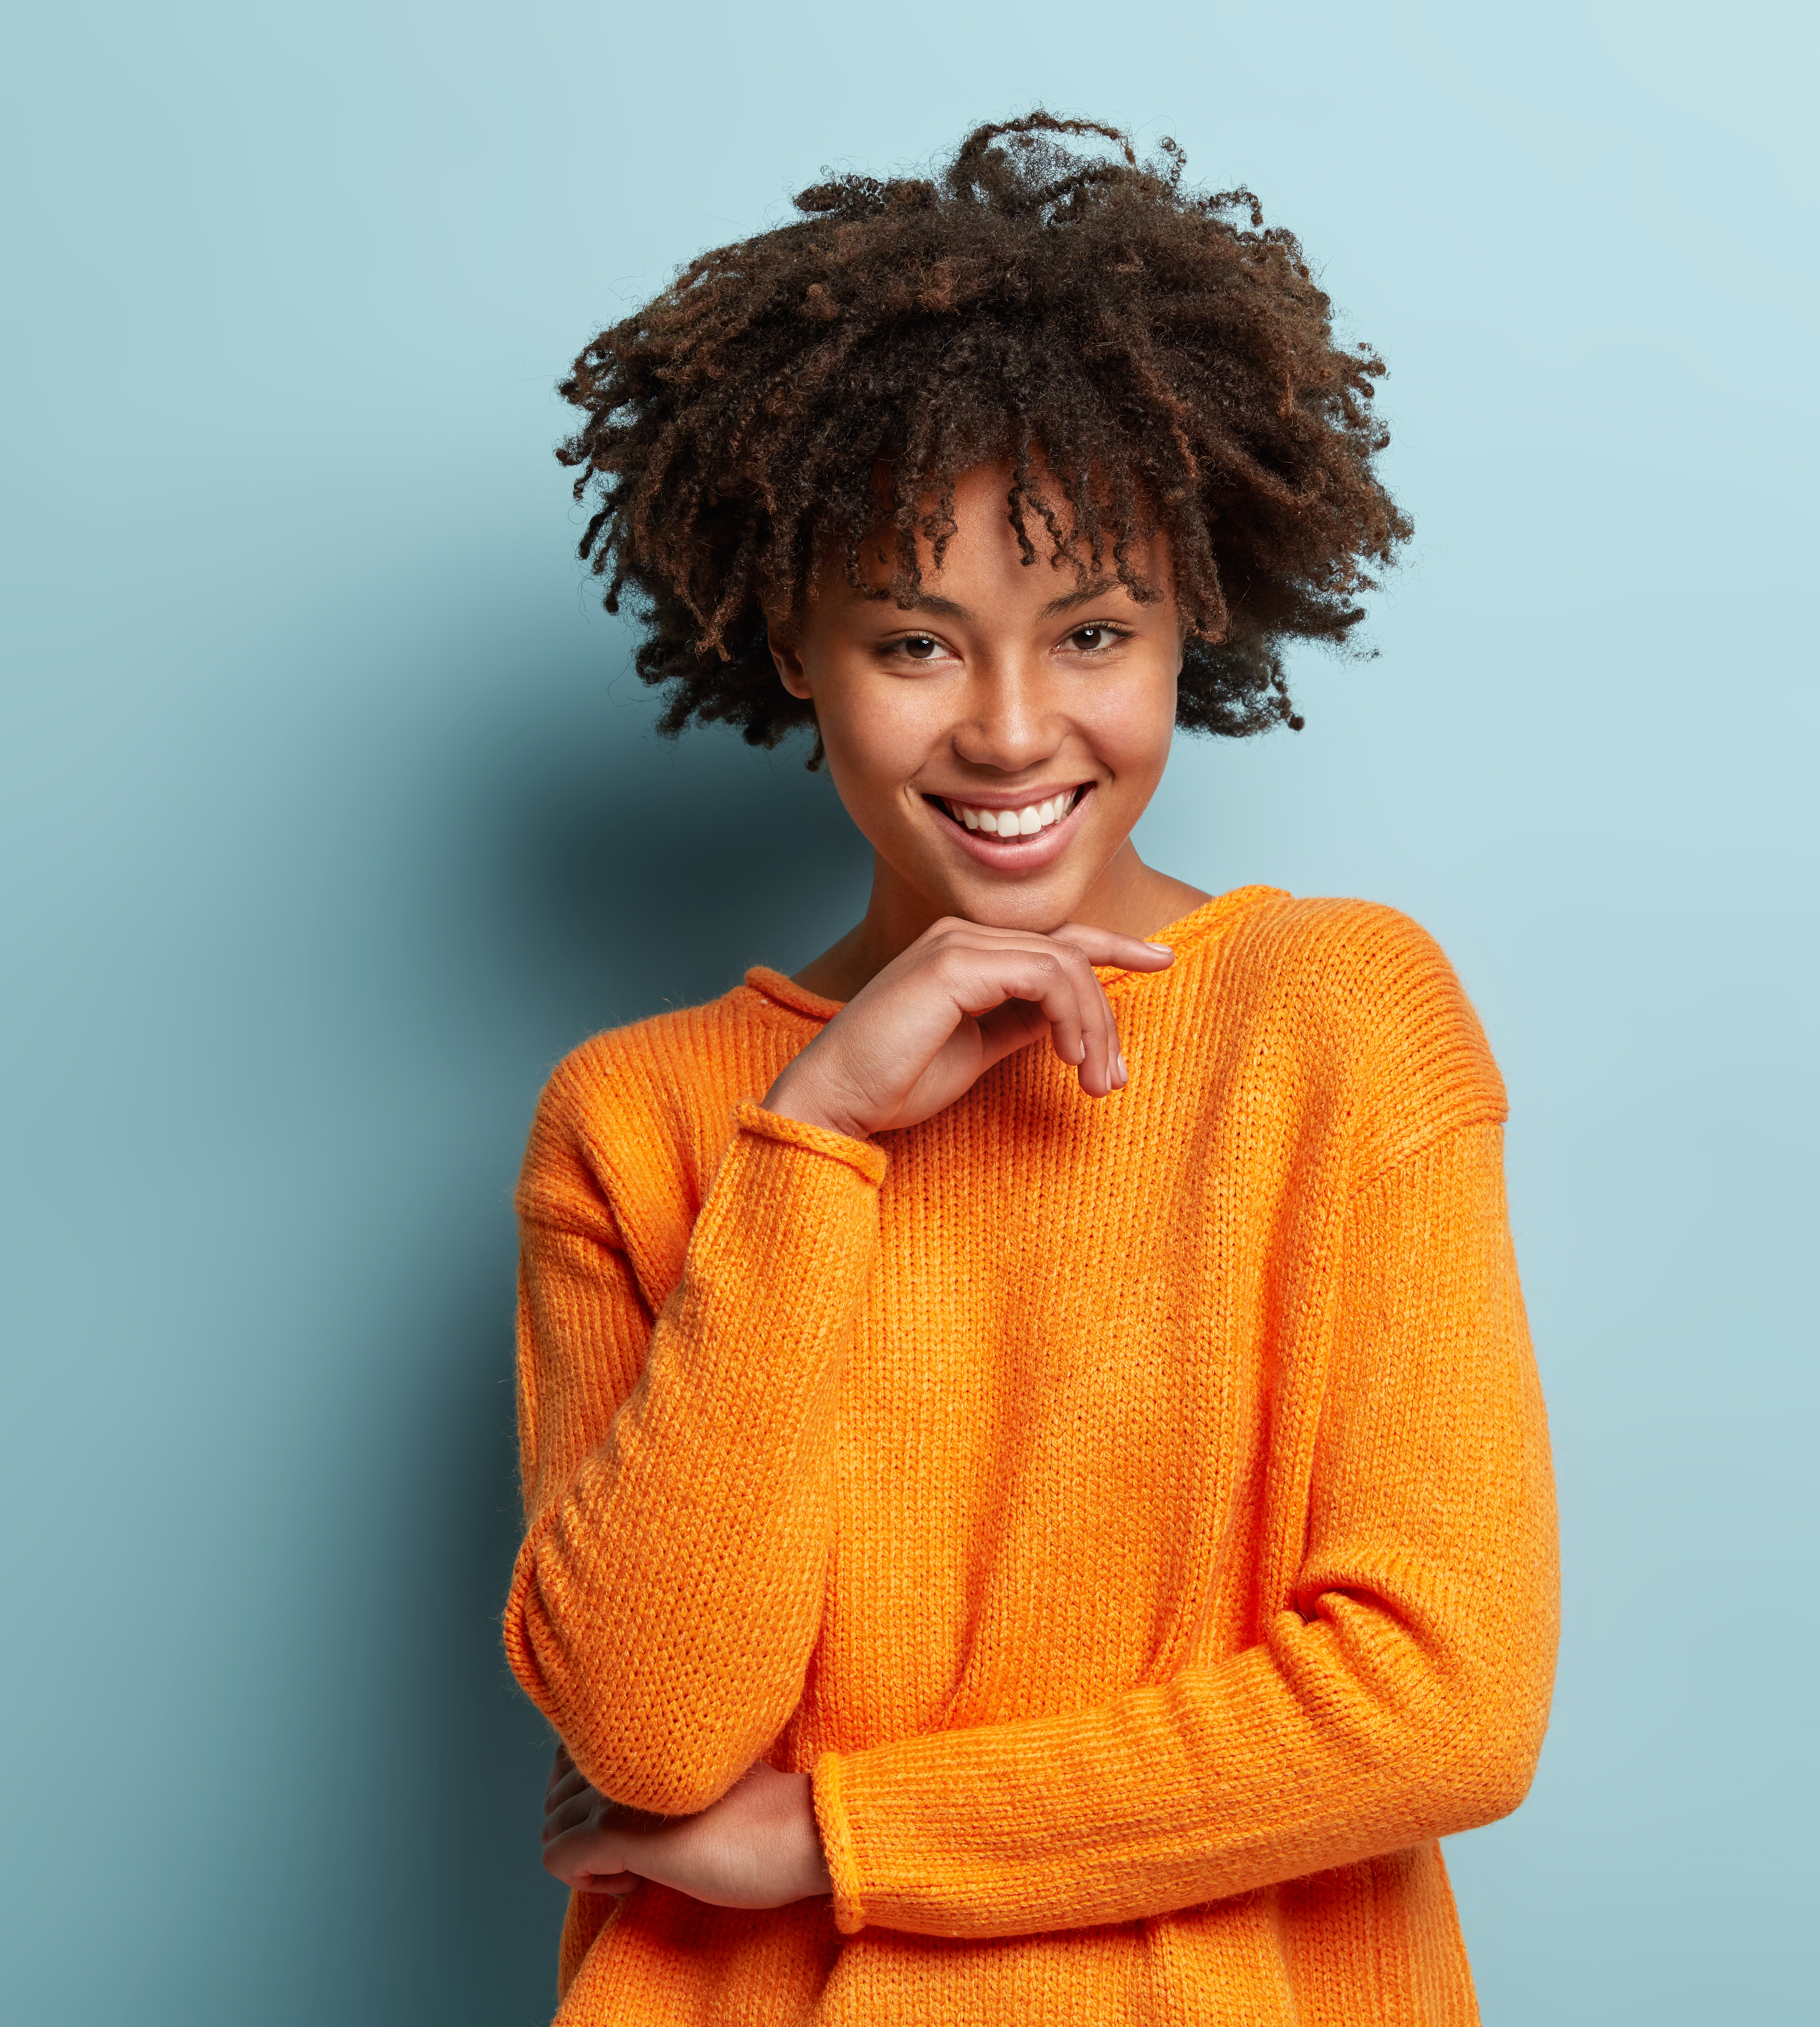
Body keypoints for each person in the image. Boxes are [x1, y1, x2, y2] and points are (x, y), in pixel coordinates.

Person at [503, 113, 1559, 2023]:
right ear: (790, 652)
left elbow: (1446, 1703)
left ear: (1191, 627)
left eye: (1093, 632)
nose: (1010, 731)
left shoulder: (1339, 1020)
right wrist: (815, 1137)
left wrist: (842, 1840)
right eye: (916, 641)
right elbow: (652, 1737)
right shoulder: (637, 1121)